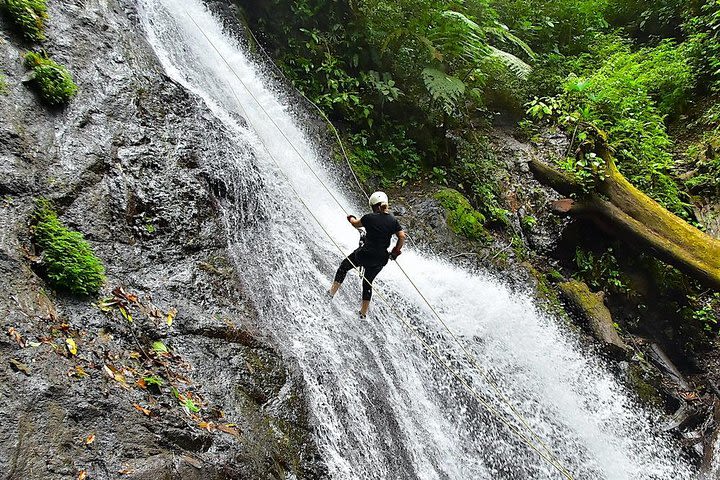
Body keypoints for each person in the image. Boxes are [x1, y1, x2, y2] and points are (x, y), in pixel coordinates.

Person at [329, 191, 406, 318]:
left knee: (344, 266)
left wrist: (351, 218)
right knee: (368, 281)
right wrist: (395, 251)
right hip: (381, 258)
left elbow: (355, 224)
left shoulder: (369, 218)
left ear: (373, 206)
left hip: (365, 254)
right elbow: (402, 236)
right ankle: (363, 313)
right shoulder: (393, 220)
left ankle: (332, 292)